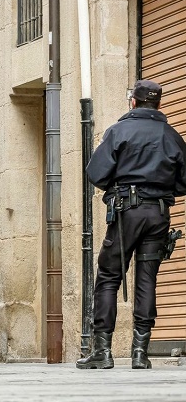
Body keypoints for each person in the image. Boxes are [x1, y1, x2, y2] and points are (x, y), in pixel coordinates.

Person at [78, 79, 186, 370]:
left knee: (109, 276)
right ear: (159, 104)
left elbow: (96, 173)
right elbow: (184, 181)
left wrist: (122, 184)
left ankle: (103, 351)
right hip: (158, 214)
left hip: (127, 211)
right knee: (147, 278)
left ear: (134, 102)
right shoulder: (172, 136)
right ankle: (140, 353)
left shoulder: (119, 131)